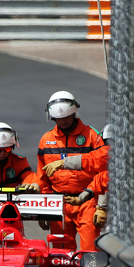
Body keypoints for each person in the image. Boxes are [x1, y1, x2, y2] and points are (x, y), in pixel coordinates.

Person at [35, 91, 106, 251]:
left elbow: (103, 170)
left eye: (67, 117)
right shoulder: (46, 140)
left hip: (87, 202)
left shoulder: (91, 135)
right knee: (60, 253)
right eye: (59, 119)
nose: (63, 122)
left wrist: (101, 206)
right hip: (58, 203)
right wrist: (43, 210)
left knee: (90, 250)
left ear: (74, 114)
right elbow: (42, 178)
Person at [44, 123, 111, 176]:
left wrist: (64, 163)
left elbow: (98, 158)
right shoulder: (47, 137)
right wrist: (91, 190)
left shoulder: (91, 134)